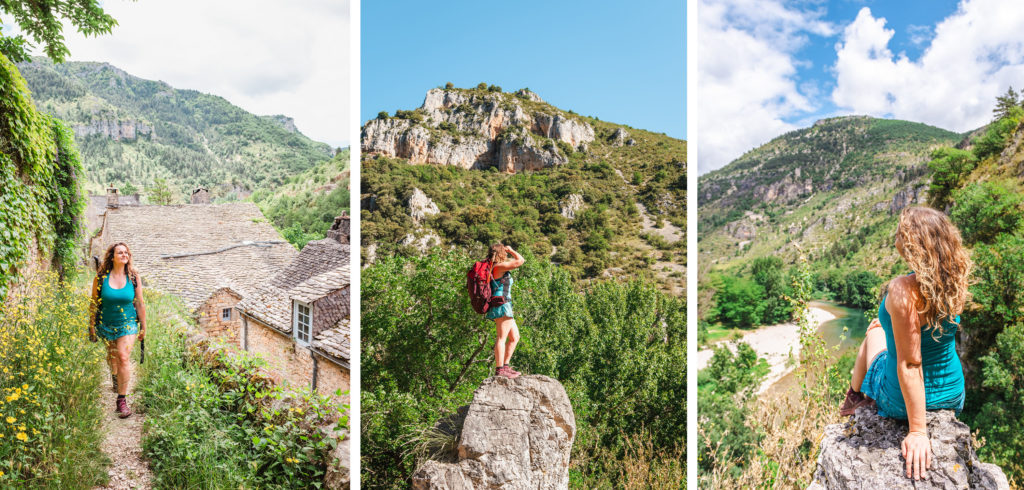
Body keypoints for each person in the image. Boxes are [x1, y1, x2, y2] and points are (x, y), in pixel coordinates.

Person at [840, 206, 971, 481]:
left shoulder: (903, 289)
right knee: (882, 331)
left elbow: (911, 364)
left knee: (872, 335)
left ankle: (853, 398)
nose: (895, 239)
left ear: (911, 243)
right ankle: (854, 395)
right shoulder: (953, 279)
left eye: (900, 233)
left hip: (901, 400)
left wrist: (918, 432)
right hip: (952, 394)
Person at [89, 242, 147, 418]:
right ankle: (115, 376)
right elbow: (94, 303)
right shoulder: (101, 278)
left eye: (126, 252)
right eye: (120, 252)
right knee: (112, 356)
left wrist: (144, 325)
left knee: (123, 356)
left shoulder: (133, 276)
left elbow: (139, 302)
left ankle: (121, 400)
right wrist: (91, 325)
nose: (124, 255)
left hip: (128, 322)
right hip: (106, 323)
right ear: (112, 256)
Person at [486, 243, 524, 379]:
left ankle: (505, 367)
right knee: (501, 338)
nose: (507, 254)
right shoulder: (498, 267)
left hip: (504, 304)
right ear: (501, 253)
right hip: (502, 305)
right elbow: (520, 261)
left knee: (514, 337)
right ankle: (500, 369)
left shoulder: (495, 267)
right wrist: (512, 250)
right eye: (505, 252)